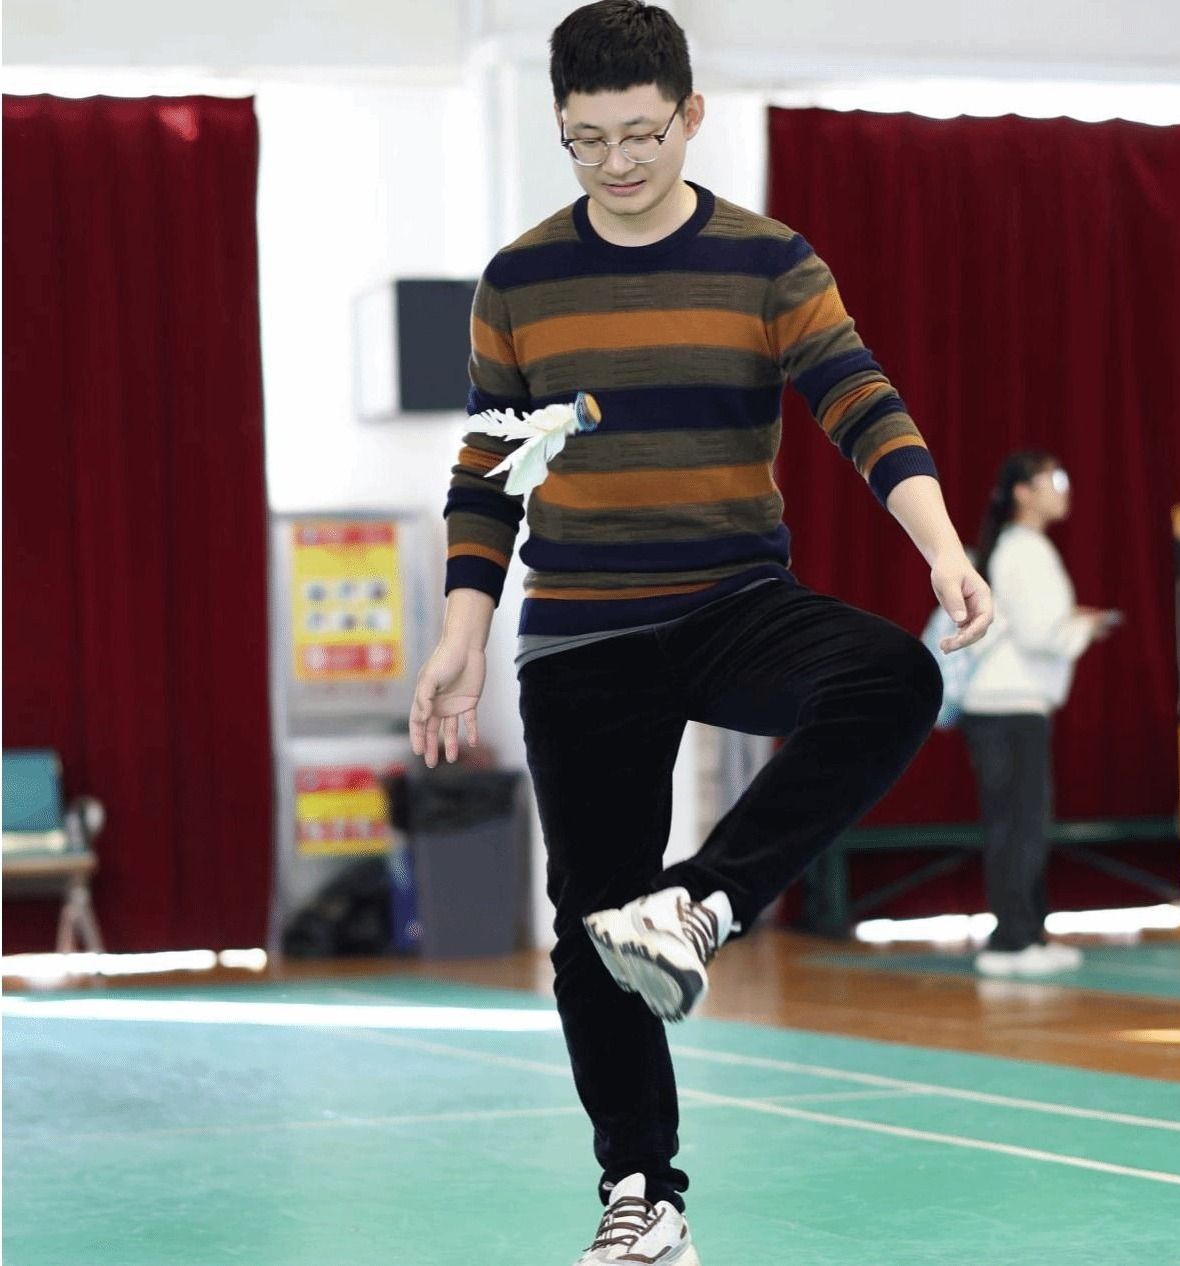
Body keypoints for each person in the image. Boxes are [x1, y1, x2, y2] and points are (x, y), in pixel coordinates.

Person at [408, 4, 992, 1260]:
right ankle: (643, 1197)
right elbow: (488, 475)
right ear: (559, 128)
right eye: (586, 140)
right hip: (581, 634)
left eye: (640, 134)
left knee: (889, 678)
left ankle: (705, 904)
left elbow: (860, 403)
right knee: (589, 921)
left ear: (691, 115)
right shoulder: (518, 281)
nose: (616, 162)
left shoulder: (768, 262)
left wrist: (941, 546)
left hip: (732, 603)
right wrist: (461, 632)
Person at [961, 452, 1119, 979]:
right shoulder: (1023, 551)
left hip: (1011, 706)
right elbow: (1038, 635)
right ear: (1023, 491)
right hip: (1007, 706)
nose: (1064, 488)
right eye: (1055, 478)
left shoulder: (1020, 548)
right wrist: (1083, 628)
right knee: (1017, 826)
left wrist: (1069, 623)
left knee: (1023, 823)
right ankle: (1011, 942)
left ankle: (1027, 933)